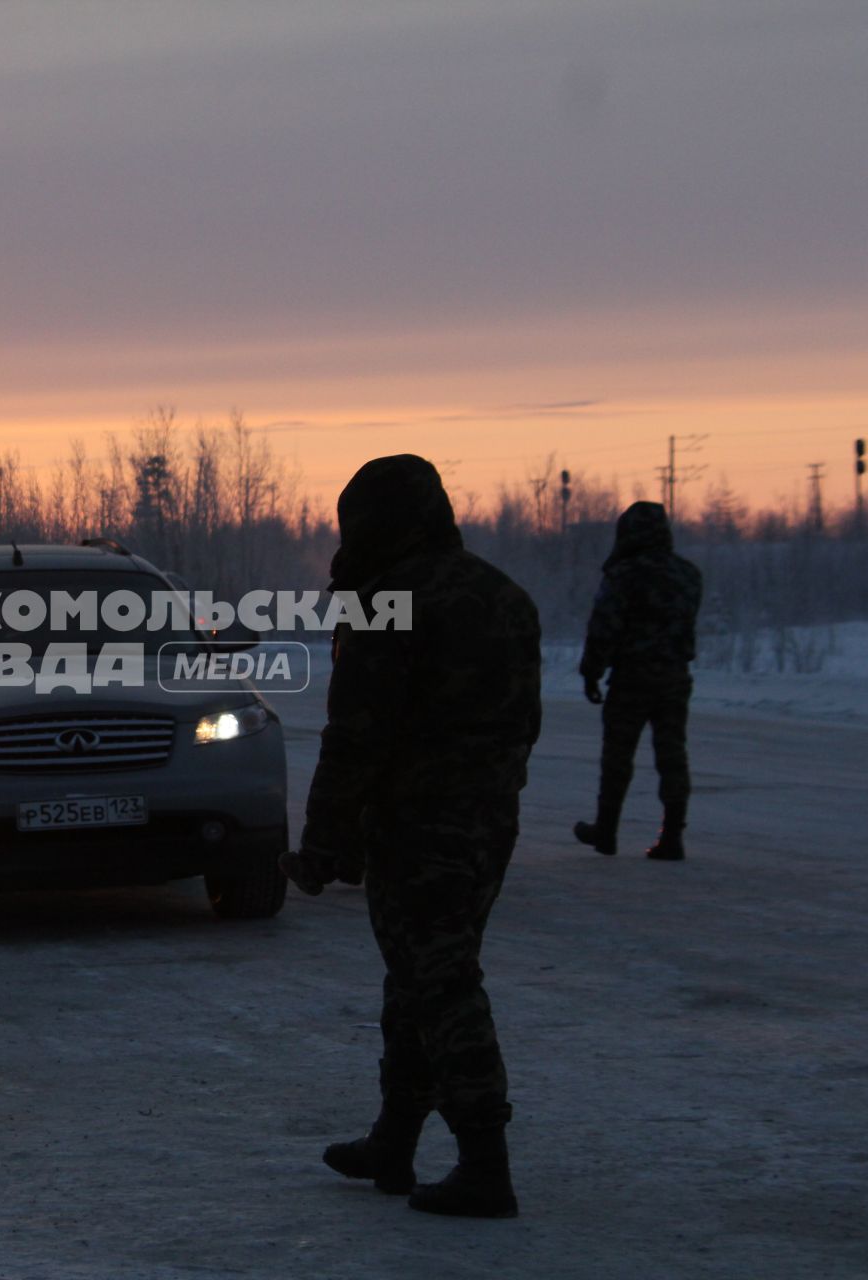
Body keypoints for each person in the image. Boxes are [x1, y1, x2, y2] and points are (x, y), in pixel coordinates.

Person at [282, 454, 542, 1219]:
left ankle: (484, 1163)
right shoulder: (504, 596)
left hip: (417, 826)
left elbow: (355, 736)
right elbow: (523, 721)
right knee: (418, 980)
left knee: (441, 984)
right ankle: (394, 1140)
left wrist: (325, 841)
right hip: (486, 822)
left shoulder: (386, 603)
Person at [572, 501, 703, 861]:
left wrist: (591, 671)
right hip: (675, 675)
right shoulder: (688, 574)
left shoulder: (624, 574)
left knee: (617, 755)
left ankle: (606, 831)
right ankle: (672, 836)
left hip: (631, 677)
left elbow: (604, 627)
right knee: (673, 753)